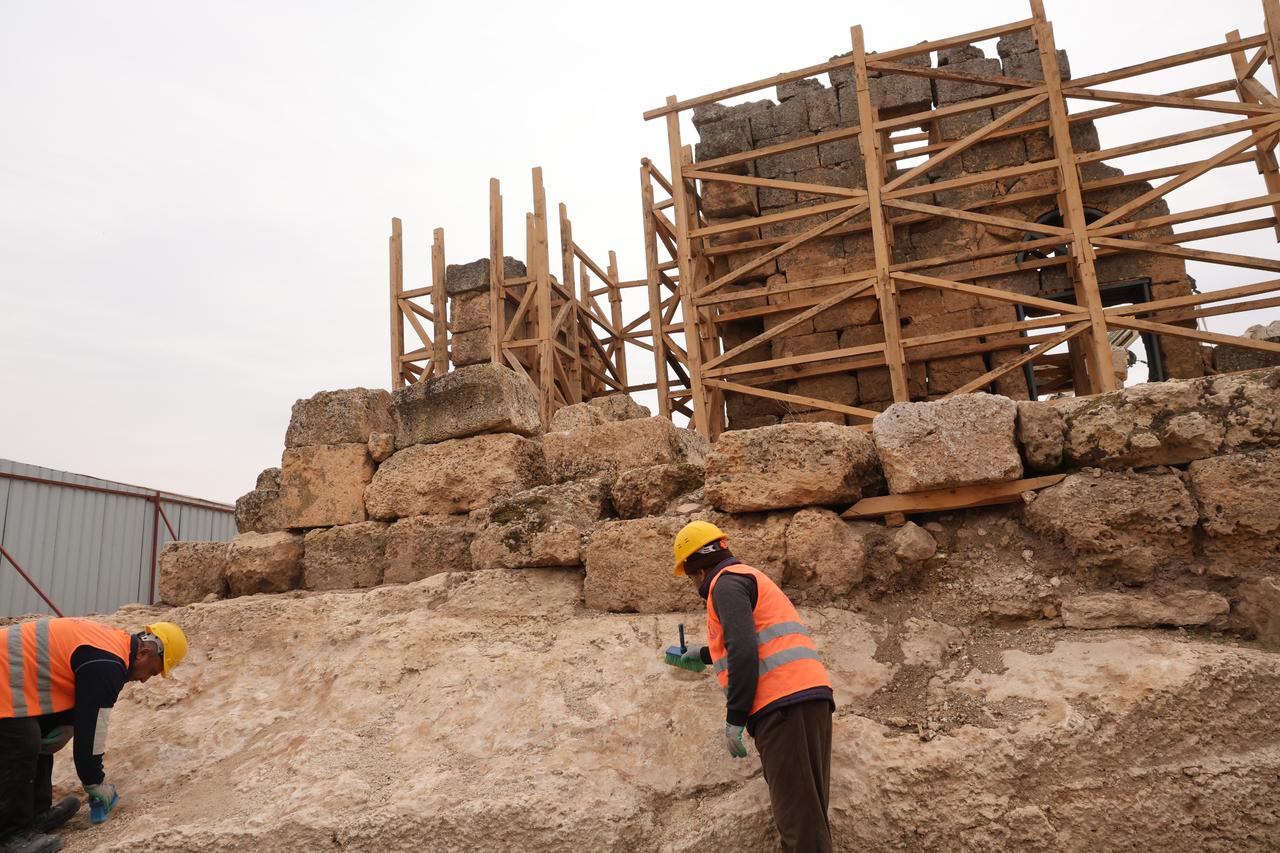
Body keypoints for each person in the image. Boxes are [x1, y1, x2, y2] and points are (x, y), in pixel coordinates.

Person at [672, 521, 835, 853]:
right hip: (804, 700)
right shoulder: (745, 577)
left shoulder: (725, 585)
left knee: (800, 825)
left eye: (690, 578)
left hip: (783, 707)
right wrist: (704, 654)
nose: (694, 585)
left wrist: (735, 716)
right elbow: (753, 640)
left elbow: (744, 649)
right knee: (806, 816)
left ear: (698, 571)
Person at [0, 618, 188, 853]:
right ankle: (11, 834)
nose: (143, 680)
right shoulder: (108, 664)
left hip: (12, 677)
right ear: (144, 653)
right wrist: (94, 782)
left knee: (38, 737)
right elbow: (91, 735)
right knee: (22, 739)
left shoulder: (110, 648)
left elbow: (78, 709)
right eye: (152, 671)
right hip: (5, 674)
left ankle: (34, 813)